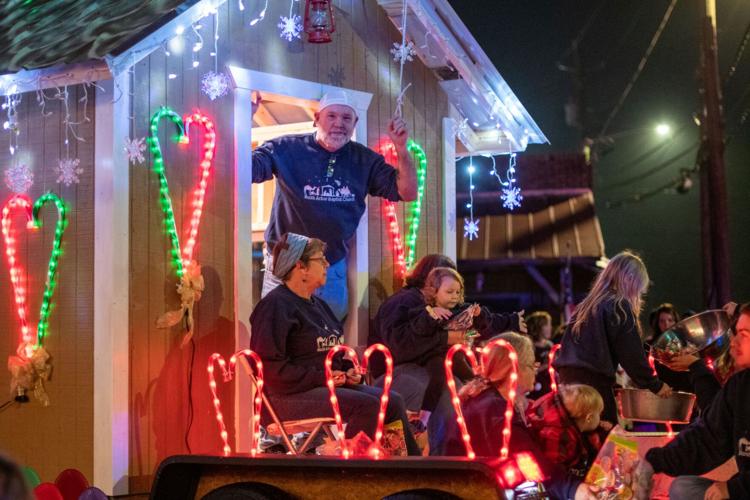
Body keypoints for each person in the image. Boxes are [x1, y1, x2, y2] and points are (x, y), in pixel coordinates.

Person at [252, 90, 417, 320]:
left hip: (331, 265)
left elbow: (407, 192)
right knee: (277, 330)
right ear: (317, 118)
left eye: (346, 118)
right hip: (287, 262)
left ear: (355, 122)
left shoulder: (365, 160)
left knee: (326, 336)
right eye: (331, 116)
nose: (339, 123)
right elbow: (246, 169)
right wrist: (244, 122)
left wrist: (401, 148)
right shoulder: (285, 148)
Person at [249, 232, 419, 455]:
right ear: (301, 266)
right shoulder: (275, 307)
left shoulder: (319, 305)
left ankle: (405, 469)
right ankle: (351, 474)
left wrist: (347, 371)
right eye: (321, 259)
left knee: (392, 400)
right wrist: (324, 377)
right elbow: (271, 370)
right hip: (283, 397)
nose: (328, 264)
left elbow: (333, 355)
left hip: (321, 387)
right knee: (367, 406)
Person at [442, 332, 597, 500]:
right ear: (514, 368)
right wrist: (574, 489)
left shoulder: (484, 401)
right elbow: (529, 462)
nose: (535, 372)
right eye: (532, 365)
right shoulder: (495, 411)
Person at [642, 305, 750, 500]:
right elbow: (707, 436)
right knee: (683, 487)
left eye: (744, 334)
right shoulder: (739, 386)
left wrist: (733, 488)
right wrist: (653, 463)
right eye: (735, 333)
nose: (733, 341)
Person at [553, 251, 672, 424]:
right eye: (638, 289)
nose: (637, 296)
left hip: (567, 385)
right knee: (605, 442)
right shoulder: (619, 306)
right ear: (629, 279)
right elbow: (631, 354)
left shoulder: (585, 306)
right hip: (593, 389)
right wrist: (656, 385)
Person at [526, 384, 608, 478]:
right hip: (563, 485)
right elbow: (554, 472)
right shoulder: (559, 436)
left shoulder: (575, 428)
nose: (601, 418)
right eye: (600, 414)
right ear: (589, 418)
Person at [526, 310, 554, 399]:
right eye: (547, 325)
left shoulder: (550, 345)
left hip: (550, 387)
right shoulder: (530, 347)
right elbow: (529, 370)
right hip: (536, 390)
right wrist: (546, 365)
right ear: (539, 327)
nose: (551, 328)